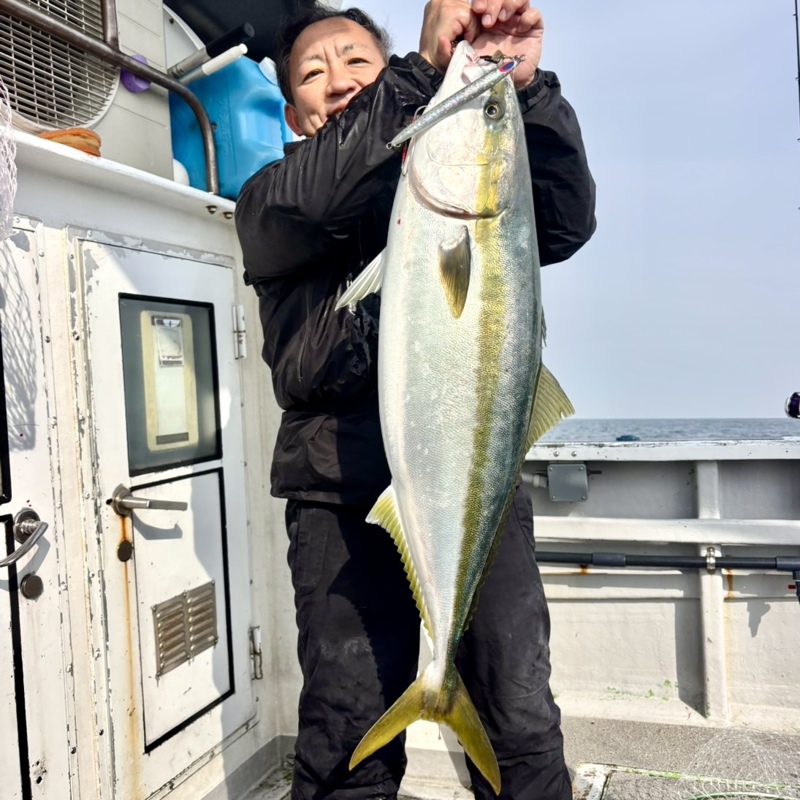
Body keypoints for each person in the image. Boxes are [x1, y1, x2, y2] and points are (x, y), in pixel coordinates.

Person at [235, 1, 596, 798]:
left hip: (476, 491)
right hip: (337, 496)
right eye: (314, 72)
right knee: (346, 737)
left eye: (358, 62)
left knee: (523, 724)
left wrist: (526, 94)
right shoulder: (274, 199)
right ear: (295, 113)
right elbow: (315, 203)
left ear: (390, 74)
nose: (338, 81)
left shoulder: (452, 172)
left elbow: (565, 223)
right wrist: (417, 76)